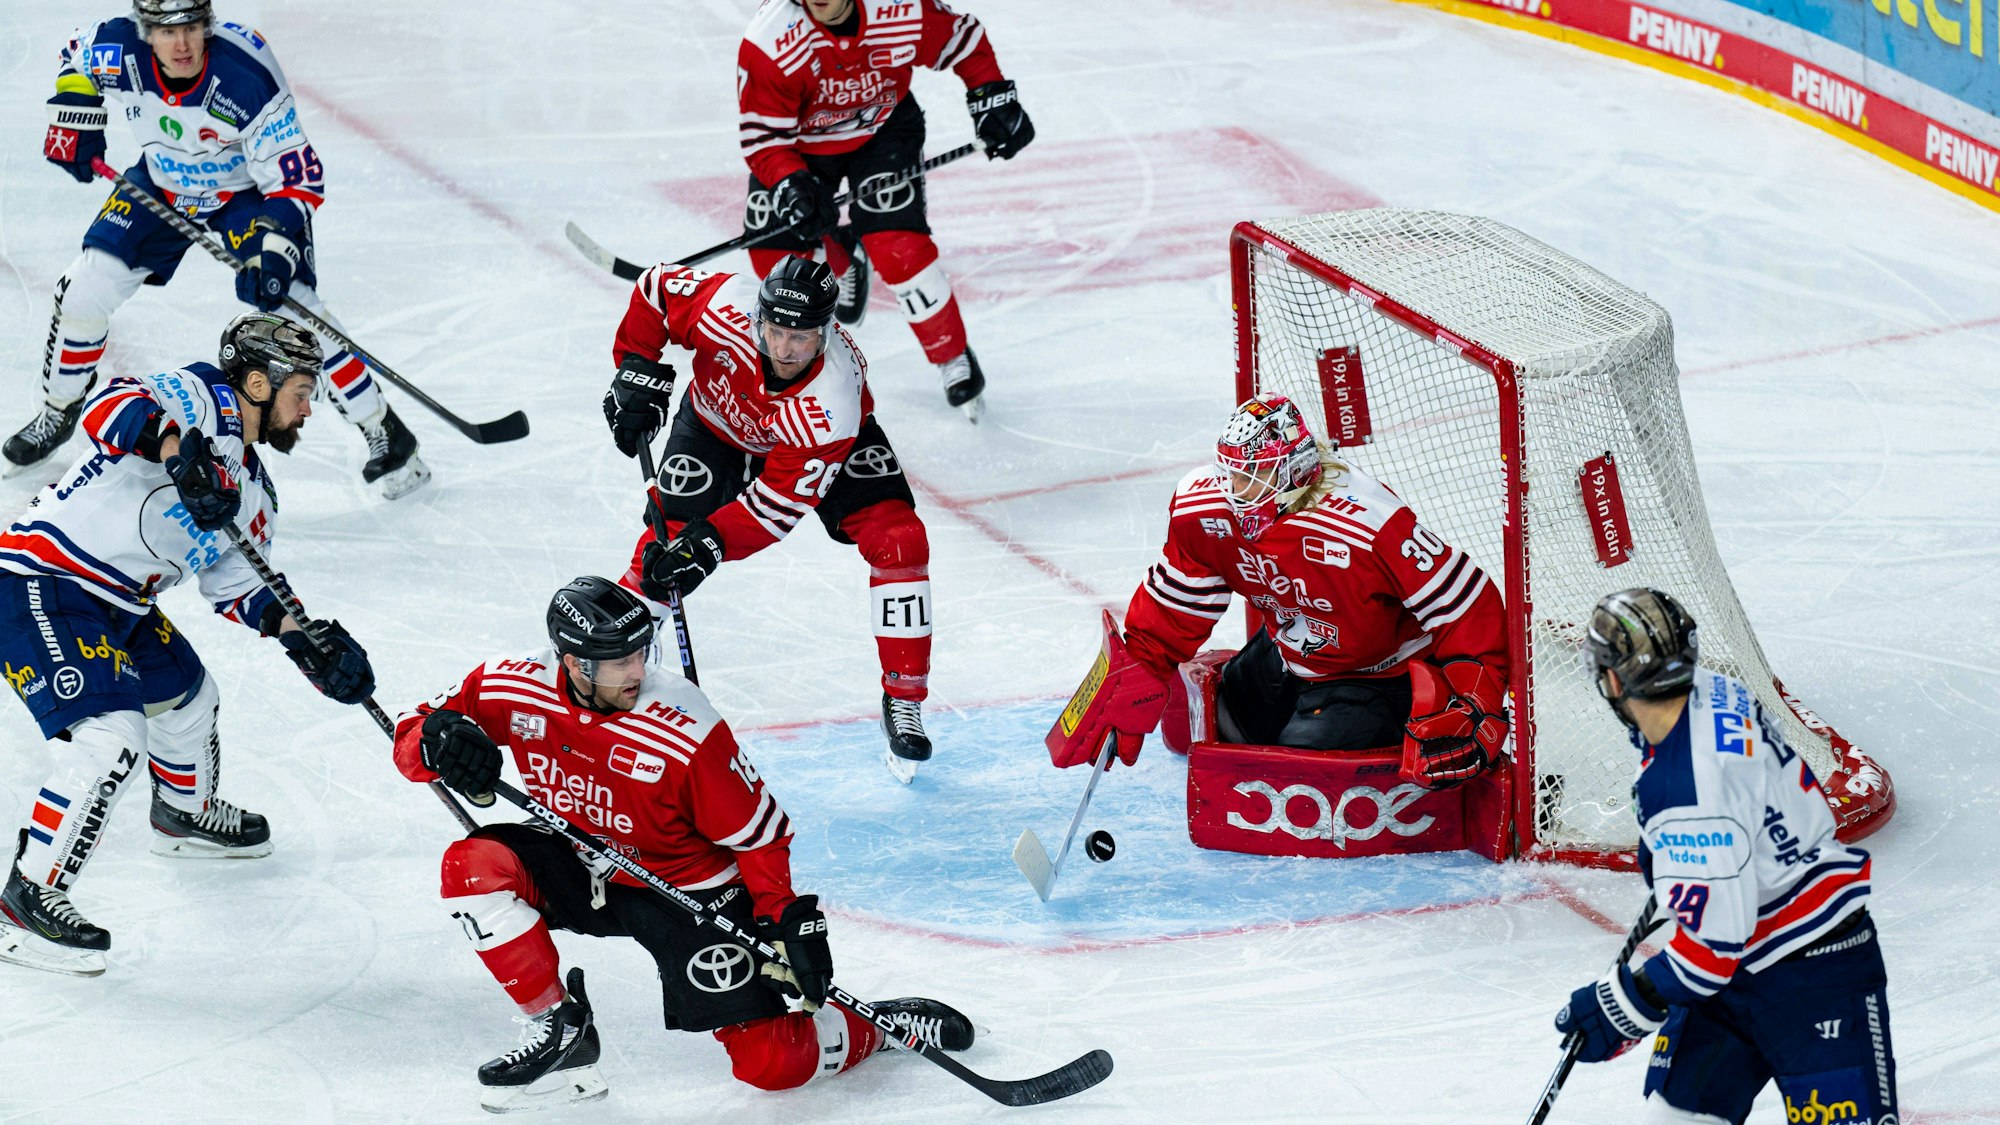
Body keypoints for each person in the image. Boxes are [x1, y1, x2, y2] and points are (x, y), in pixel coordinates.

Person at [392, 576, 972, 1112]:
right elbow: (410, 731)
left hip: (687, 889)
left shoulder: (682, 727)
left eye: (641, 653)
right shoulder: (511, 685)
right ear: (573, 663)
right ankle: (558, 1028)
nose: (636, 671)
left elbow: (762, 835)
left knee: (772, 1065)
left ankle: (876, 1029)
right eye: (619, 660)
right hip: (580, 861)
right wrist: (432, 742)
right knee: (473, 866)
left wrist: (782, 917)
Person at [0, 312, 376, 977]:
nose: (308, 410)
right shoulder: (198, 397)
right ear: (257, 382)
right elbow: (110, 405)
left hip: (121, 606)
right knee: (111, 738)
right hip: (41, 578)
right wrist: (178, 451)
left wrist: (304, 639)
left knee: (190, 699)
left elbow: (238, 585)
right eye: (302, 392)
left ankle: (183, 813)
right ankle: (24, 896)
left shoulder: (256, 490)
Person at [11, 0, 428, 498]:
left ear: (206, 25)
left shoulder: (244, 71)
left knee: (299, 316)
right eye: (167, 32)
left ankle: (381, 426)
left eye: (191, 27)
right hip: (162, 184)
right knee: (82, 290)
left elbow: (297, 178)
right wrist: (75, 115)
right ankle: (58, 411)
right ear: (146, 32)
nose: (181, 44)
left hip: (245, 193)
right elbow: (74, 59)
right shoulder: (118, 47)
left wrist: (274, 251)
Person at [1046, 393, 1511, 790]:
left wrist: (1478, 702)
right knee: (1218, 729)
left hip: (1378, 675)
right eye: (1230, 473)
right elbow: (1177, 601)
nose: (1233, 491)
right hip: (1287, 650)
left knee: (1294, 775)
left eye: (1250, 476)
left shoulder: (1368, 523)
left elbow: (1468, 606)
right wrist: (1140, 670)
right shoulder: (1203, 507)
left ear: (1294, 471)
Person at [1553, 588, 1895, 1124]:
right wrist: (1676, 865)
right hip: (1758, 951)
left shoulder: (1686, 793)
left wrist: (1621, 1006)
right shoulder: (1716, 689)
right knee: (1677, 1117)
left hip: (1814, 972)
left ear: (1615, 681)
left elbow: (1712, 952)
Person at [601, 257, 938, 782]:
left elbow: (774, 506)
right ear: (757, 316)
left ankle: (904, 697)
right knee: (664, 541)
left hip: (815, 447)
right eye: (775, 331)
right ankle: (624, 651)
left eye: (801, 338)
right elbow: (654, 290)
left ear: (827, 331)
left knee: (901, 539)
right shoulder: (724, 305)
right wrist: (633, 366)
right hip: (716, 426)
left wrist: (710, 543)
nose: (783, 350)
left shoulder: (833, 402)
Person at [736, 0, 1037, 417]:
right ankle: (843, 261)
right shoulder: (771, 40)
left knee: (900, 250)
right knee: (776, 258)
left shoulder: (901, 10)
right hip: (801, 150)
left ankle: (950, 354)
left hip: (883, 134)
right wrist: (791, 184)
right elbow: (763, 138)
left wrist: (990, 98)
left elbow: (962, 38)